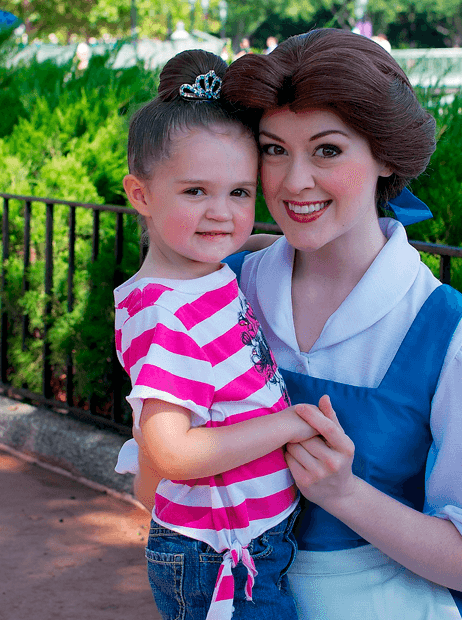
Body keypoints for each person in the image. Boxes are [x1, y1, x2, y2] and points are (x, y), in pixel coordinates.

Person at [216, 28, 462, 619]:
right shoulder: (229, 290)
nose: (293, 181)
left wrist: (344, 494)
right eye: (274, 149)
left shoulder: (455, 341)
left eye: (327, 150)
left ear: (385, 156)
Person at [115, 48, 328, 620]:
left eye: (238, 192)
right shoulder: (166, 314)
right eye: (195, 192)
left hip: (250, 539)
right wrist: (289, 422)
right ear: (141, 195)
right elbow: (172, 451)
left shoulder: (202, 275)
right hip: (222, 555)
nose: (221, 213)